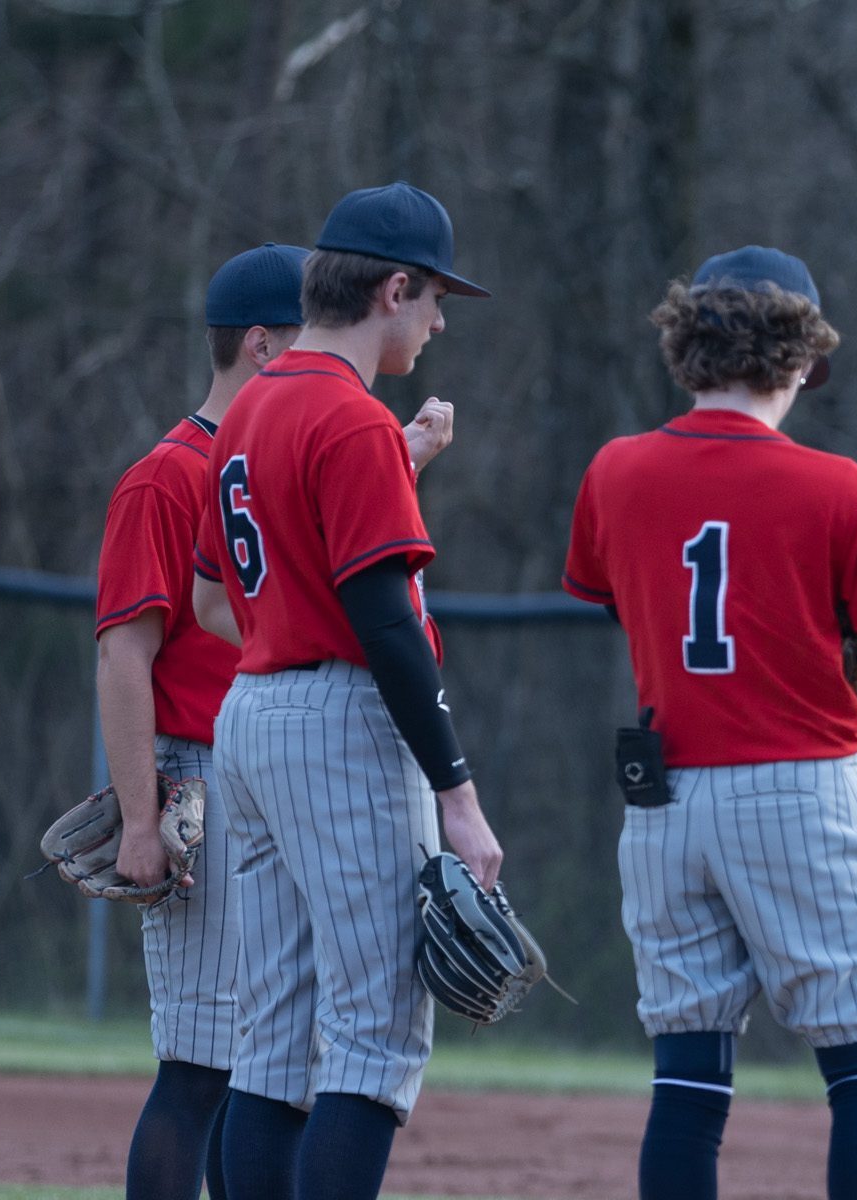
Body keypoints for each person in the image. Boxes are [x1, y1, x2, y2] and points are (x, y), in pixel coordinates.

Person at [561, 245, 857, 1200]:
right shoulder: (841, 487)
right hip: (797, 782)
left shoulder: (616, 469)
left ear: (686, 348)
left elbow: (621, 601)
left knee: (686, 1076)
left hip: (664, 795)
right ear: (802, 358)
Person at [95, 243, 455, 1200]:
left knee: (266, 1048)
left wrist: (397, 466)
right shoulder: (168, 476)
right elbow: (126, 653)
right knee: (207, 1057)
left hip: (256, 763)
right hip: (201, 778)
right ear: (260, 344)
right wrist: (139, 816)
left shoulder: (268, 444)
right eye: (297, 332)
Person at [190, 182, 499, 1200]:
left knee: (272, 1039)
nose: (440, 321)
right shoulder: (350, 416)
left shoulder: (251, 409)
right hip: (340, 721)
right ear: (392, 288)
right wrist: (455, 791)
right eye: (434, 300)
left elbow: (223, 590)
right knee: (372, 1035)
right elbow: (384, 623)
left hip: (251, 717)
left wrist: (395, 465)